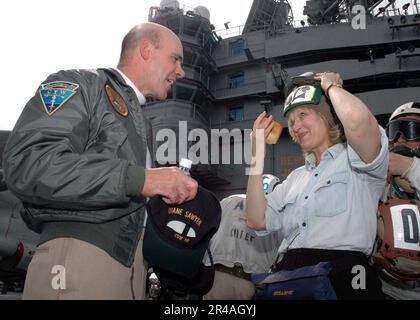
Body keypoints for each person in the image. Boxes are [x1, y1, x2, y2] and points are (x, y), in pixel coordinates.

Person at [2, 22, 198, 300]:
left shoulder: (141, 122)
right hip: (80, 260)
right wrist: (141, 178)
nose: (181, 71)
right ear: (146, 50)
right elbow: (29, 162)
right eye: (176, 59)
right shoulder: (82, 84)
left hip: (129, 269)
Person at [246, 71, 389, 299]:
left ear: (326, 116)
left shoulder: (358, 160)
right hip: (290, 279)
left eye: (303, 115)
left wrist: (332, 88)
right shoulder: (294, 178)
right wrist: (257, 156)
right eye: (291, 121)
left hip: (345, 278)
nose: (295, 126)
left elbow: (358, 122)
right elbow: (256, 219)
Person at [202, 174, 283, 300]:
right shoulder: (274, 215)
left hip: (216, 278)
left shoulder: (227, 201)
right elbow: (280, 256)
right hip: (250, 283)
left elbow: (207, 233)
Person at [373, 102, 420, 300]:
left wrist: (412, 168)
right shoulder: (379, 182)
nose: (400, 139)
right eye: (393, 131)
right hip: (387, 289)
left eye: (411, 130)